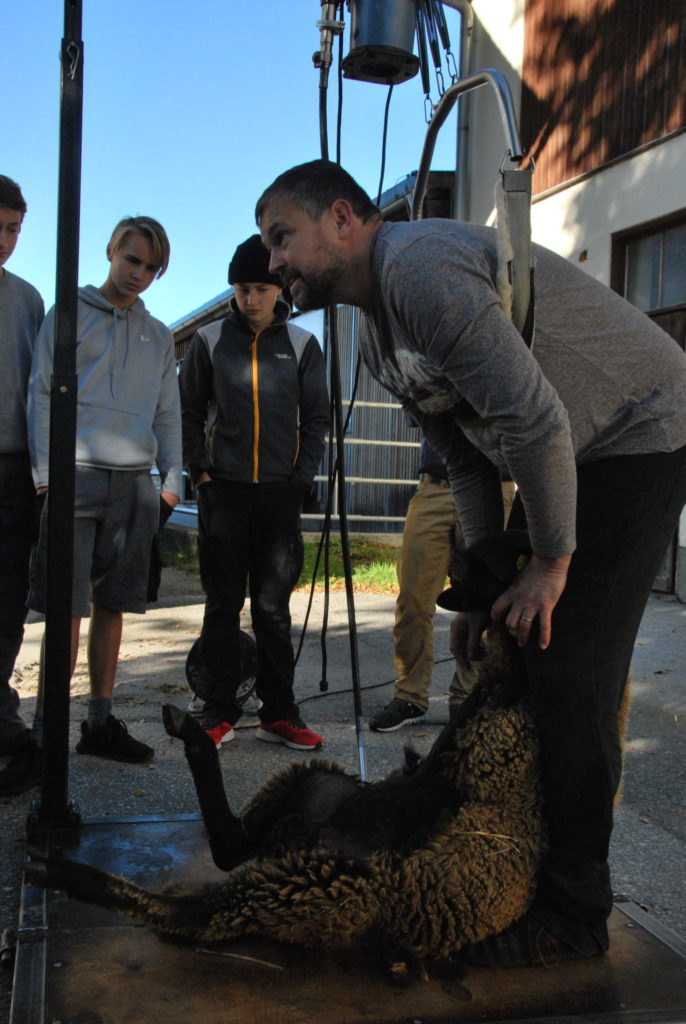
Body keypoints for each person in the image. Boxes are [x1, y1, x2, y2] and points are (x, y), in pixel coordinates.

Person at [255, 159, 686, 966]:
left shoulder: (418, 271)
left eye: (282, 237)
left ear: (342, 219)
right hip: (570, 446)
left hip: (637, 429)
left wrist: (551, 566)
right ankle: (507, 862)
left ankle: (573, 915)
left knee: (570, 668)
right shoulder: (379, 334)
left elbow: (533, 419)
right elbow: (465, 458)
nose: (274, 262)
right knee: (511, 650)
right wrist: (486, 585)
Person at [26, 215, 182, 770]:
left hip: (134, 485)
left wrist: (171, 483)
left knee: (113, 605)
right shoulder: (69, 313)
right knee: (64, 609)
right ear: (111, 251)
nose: (138, 273)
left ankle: (98, 722)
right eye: (131, 259)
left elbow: (167, 412)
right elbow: (42, 391)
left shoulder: (159, 335)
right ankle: (46, 732)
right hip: (74, 475)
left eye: (150, 267)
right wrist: (47, 475)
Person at [179, 234, 329, 751]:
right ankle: (220, 710)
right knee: (223, 603)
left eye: (261, 289)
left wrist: (301, 479)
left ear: (278, 289)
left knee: (273, 608)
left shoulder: (304, 345)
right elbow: (189, 413)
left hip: (279, 495)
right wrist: (201, 473)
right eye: (243, 289)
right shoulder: (208, 341)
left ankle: (278, 713)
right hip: (224, 492)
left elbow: (316, 418)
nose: (252, 299)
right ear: (233, 291)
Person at [371, 436, 513, 732]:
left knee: (486, 597)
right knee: (412, 598)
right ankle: (410, 695)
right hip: (435, 485)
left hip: (492, 484)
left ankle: (468, 694)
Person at [0, 176, 44, 793]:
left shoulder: (29, 300)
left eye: (13, 228)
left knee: (9, 594)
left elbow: (42, 390)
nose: (5, 239)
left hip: (13, 466)